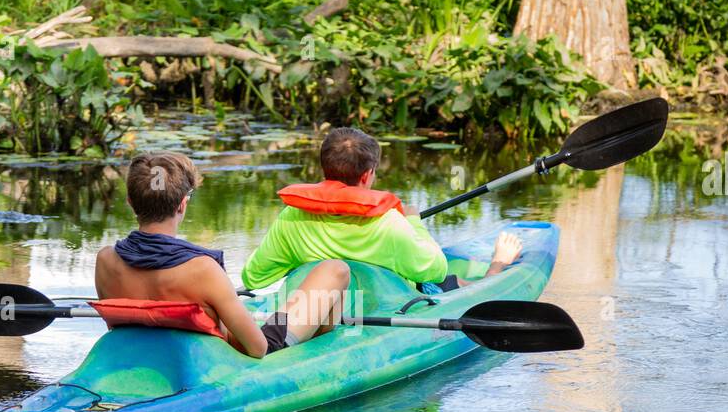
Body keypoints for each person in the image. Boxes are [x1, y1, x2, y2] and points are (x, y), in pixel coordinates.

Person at [95, 152, 350, 358]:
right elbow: (257, 349)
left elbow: (118, 328)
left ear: (130, 201)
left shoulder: (105, 260)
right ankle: (320, 353)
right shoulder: (202, 269)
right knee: (335, 271)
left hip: (148, 356)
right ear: (183, 204)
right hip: (222, 360)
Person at [241, 127, 527, 292]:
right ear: (367, 175)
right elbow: (435, 269)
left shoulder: (292, 216)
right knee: (454, 284)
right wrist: (413, 221)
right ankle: (498, 267)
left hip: (321, 310)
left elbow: (253, 278)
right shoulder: (388, 221)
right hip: (385, 306)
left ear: (324, 168)